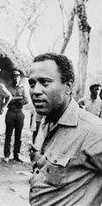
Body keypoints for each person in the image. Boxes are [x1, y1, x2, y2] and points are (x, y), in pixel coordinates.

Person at [28, 53, 102, 206]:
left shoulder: (93, 132)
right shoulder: (47, 121)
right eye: (32, 83)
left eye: (45, 82)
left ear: (68, 86)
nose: (35, 91)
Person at [3, 70, 29, 163]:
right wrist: (18, 99)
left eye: (17, 77)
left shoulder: (22, 88)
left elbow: (26, 100)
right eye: (14, 76)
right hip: (11, 112)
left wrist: (14, 100)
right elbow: (6, 100)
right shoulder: (8, 88)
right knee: (8, 135)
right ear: (12, 78)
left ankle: (16, 155)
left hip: (20, 113)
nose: (16, 78)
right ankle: (6, 155)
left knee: (19, 136)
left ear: (20, 78)